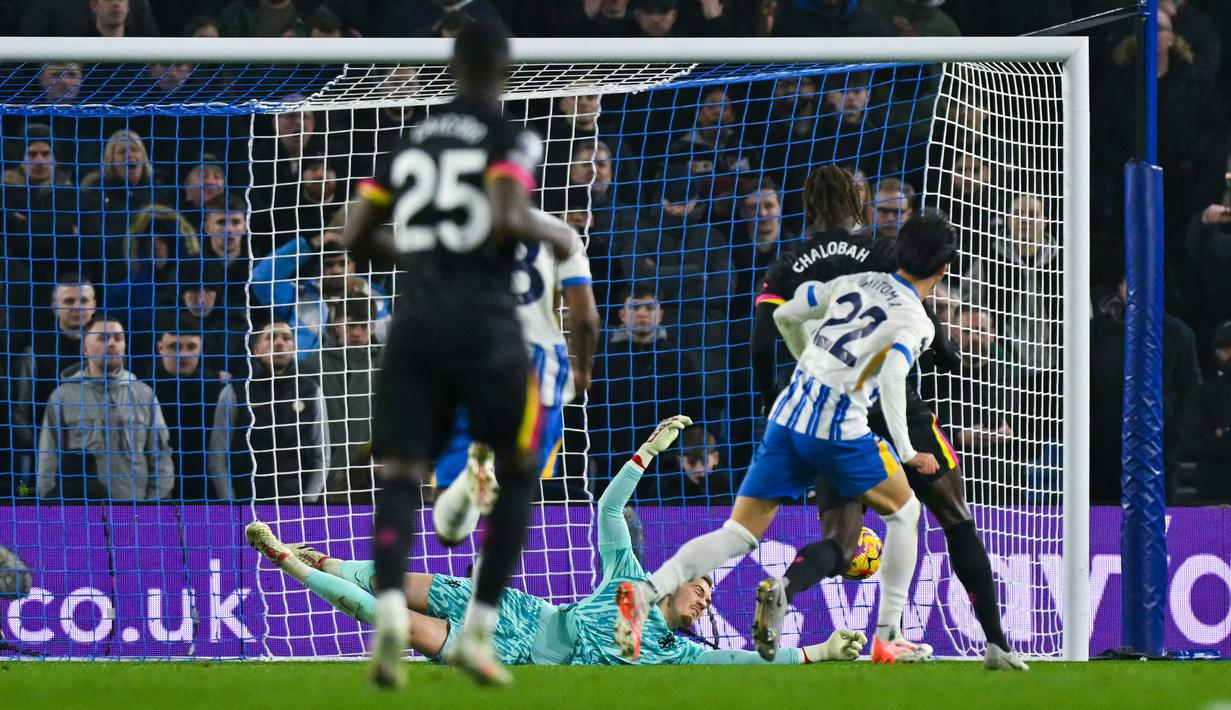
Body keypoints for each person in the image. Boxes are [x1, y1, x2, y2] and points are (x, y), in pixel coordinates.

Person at [338, 21, 581, 687]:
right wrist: (555, 234)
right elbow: (506, 216)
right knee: (519, 469)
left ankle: (391, 608)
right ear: (505, 70)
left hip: (414, 323)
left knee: (399, 474)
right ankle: (477, 632)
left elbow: (352, 235)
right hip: (486, 327)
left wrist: (421, 255)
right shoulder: (510, 135)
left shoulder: (409, 137)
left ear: (450, 67)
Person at [613, 215, 960, 667]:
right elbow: (895, 376)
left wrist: (806, 360)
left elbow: (784, 315)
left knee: (739, 533)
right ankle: (888, 636)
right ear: (943, 269)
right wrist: (909, 451)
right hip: (838, 425)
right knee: (905, 512)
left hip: (787, 415)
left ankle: (645, 593)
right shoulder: (916, 318)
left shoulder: (854, 284)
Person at [245, 417, 867, 666]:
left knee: (394, 621)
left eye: (706, 599)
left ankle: (287, 562)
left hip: (516, 652)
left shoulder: (673, 655)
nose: (703, 599)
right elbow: (610, 507)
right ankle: (321, 560)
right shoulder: (629, 576)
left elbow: (746, 663)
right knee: (392, 580)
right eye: (700, 586)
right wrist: (646, 453)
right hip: (519, 609)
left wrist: (820, 650)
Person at [752, 181, 1020, 670]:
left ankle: (786, 588)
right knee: (954, 516)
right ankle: (994, 644)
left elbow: (762, 340)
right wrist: (946, 353)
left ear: (808, 207)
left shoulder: (787, 264)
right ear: (859, 205)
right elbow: (913, 310)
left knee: (842, 541)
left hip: (834, 410)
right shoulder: (880, 253)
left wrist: (774, 397)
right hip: (897, 406)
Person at [432, 206, 599, 543]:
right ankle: (485, 479)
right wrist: (582, 368)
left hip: (467, 365)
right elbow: (585, 319)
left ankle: (468, 480)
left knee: (449, 532)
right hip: (537, 372)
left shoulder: (455, 225)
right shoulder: (560, 235)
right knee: (511, 501)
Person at [37, 317, 174, 501]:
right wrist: (49, 503)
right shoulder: (63, 397)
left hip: (134, 507)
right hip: (82, 509)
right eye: (103, 338)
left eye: (118, 338)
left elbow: (161, 455)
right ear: (85, 349)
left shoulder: (144, 395)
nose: (111, 343)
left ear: (124, 346)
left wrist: (153, 503)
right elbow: (48, 456)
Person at [208, 321, 328, 503]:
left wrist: (308, 502)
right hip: (246, 502)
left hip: (295, 504)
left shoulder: (311, 391)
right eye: (271, 338)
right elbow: (217, 457)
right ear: (256, 350)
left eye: (286, 338)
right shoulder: (235, 392)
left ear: (294, 348)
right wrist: (230, 504)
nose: (279, 343)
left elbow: (322, 456)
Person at [300, 293, 384, 504]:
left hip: (375, 477)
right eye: (350, 325)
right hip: (326, 479)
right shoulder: (312, 367)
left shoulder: (387, 366)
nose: (357, 332)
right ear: (337, 324)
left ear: (373, 326)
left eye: (364, 326)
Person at [10, 274, 98, 471]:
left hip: (98, 458)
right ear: (54, 307)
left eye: (83, 300)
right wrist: (39, 449)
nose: (77, 307)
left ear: (94, 305)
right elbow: (20, 412)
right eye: (69, 301)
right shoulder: (35, 353)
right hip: (47, 460)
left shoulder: (108, 352)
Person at [150, 314, 228, 500]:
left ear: (201, 349)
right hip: (158, 489)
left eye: (191, 347)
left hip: (207, 489)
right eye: (175, 347)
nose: (183, 354)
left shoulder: (217, 388)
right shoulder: (144, 389)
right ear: (160, 348)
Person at [1177, 320, 1231, 502]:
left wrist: (1224, 433)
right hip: (1216, 496)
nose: (1227, 354)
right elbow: (1190, 446)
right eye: (1224, 348)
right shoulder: (1205, 394)